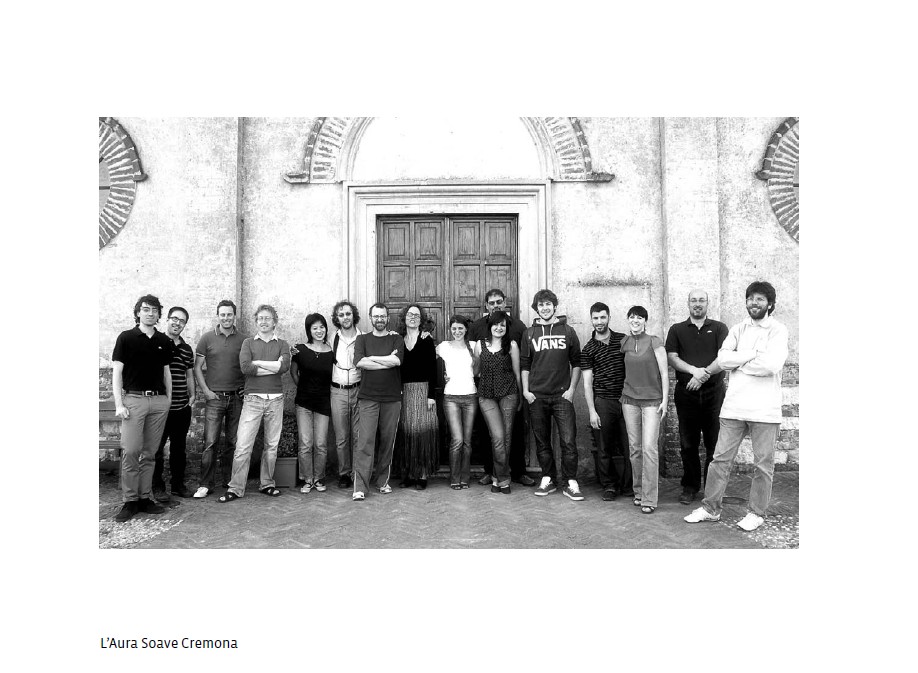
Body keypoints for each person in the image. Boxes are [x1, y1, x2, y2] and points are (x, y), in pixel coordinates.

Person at [684, 281, 788, 532]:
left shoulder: (777, 330)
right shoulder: (738, 329)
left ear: (770, 304)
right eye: (751, 298)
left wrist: (738, 361)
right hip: (734, 407)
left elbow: (771, 365)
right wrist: (752, 354)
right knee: (720, 460)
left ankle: (756, 513)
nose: (754, 303)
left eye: (760, 299)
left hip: (765, 410)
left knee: (763, 465)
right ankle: (711, 509)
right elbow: (722, 359)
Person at [219, 305, 291, 502]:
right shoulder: (248, 343)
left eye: (268, 318)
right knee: (243, 446)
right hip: (252, 400)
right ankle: (236, 488)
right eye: (260, 318)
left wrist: (258, 363)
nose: (264, 321)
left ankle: (267, 484)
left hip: (275, 400)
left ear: (275, 322)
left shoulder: (283, 344)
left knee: (271, 446)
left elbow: (284, 367)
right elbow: (245, 368)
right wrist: (273, 366)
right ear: (256, 321)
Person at [111, 294, 172, 522]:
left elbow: (166, 372)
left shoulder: (163, 340)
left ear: (158, 314)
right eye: (146, 309)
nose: (150, 313)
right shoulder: (126, 338)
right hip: (134, 400)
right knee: (131, 451)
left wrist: (168, 400)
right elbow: (117, 372)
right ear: (138, 312)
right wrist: (119, 403)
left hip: (158, 402)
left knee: (150, 453)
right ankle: (130, 501)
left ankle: (145, 498)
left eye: (154, 310)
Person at [665, 289, 728, 505]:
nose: (697, 304)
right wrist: (694, 371)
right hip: (686, 394)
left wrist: (703, 375)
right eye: (694, 300)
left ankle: (712, 489)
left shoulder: (719, 328)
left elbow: (724, 357)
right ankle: (690, 487)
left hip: (714, 394)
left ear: (708, 303)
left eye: (701, 300)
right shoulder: (677, 329)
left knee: (714, 443)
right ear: (688, 303)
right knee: (688, 443)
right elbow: (672, 357)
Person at [520, 289, 584, 501]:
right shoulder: (529, 333)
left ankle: (570, 482)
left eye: (548, 304)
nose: (545, 308)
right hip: (537, 397)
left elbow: (577, 363)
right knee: (542, 442)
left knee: (568, 441)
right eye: (541, 305)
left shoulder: (568, 331)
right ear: (536, 308)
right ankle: (548, 478)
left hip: (562, 396)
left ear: (555, 306)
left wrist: (572, 390)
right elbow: (525, 365)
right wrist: (526, 391)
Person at [468, 288, 535, 487]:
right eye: (492, 302)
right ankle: (491, 472)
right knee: (488, 433)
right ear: (486, 305)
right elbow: (472, 359)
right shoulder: (477, 327)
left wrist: (523, 391)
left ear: (505, 302)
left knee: (514, 433)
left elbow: (524, 359)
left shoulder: (518, 326)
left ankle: (518, 472)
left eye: (499, 301)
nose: (496, 305)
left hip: (509, 391)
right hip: (486, 391)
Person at [193, 300, 249, 498]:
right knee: (210, 442)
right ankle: (205, 484)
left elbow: (249, 366)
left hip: (236, 398)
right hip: (214, 397)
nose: (226, 318)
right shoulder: (207, 338)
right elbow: (197, 367)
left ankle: (229, 481)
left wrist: (246, 387)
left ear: (235, 316)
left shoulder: (244, 340)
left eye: (229, 314)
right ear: (218, 316)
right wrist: (206, 391)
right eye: (223, 314)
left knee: (233, 442)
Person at [352, 302, 405, 501]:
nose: (380, 319)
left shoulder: (396, 338)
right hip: (368, 397)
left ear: (387, 317)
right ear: (371, 318)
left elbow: (397, 361)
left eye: (383, 316)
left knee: (387, 442)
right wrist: (386, 360)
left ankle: (383, 481)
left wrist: (372, 359)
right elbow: (359, 362)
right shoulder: (362, 339)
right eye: (376, 316)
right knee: (365, 442)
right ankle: (360, 487)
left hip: (392, 398)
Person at [580, 301, 632, 502]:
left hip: (627, 400)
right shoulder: (588, 348)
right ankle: (609, 485)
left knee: (630, 446)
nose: (599, 321)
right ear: (591, 320)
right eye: (596, 318)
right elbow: (587, 383)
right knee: (604, 447)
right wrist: (592, 411)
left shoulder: (623, 340)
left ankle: (629, 486)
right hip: (603, 401)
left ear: (609, 317)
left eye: (603, 317)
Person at [620, 305, 669, 514]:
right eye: (632, 317)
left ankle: (649, 498)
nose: (635, 320)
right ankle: (639, 492)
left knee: (649, 448)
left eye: (640, 317)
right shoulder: (624, 342)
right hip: (629, 400)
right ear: (628, 320)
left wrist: (665, 400)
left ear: (645, 321)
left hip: (652, 401)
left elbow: (664, 373)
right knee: (635, 448)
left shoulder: (655, 341)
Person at [473, 310, 521, 494]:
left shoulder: (512, 345)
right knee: (498, 437)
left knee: (506, 438)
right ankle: (503, 478)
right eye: (496, 324)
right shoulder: (480, 345)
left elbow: (517, 373)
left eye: (503, 325)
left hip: (508, 394)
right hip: (486, 396)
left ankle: (498, 478)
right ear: (490, 326)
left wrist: (520, 398)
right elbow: (476, 371)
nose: (499, 328)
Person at [152, 306, 196, 500]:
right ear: (167, 320)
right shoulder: (157, 342)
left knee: (179, 449)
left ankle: (178, 485)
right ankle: (157, 486)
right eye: (174, 319)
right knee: (157, 449)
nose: (177, 323)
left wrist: (192, 395)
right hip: (160, 407)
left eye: (182, 321)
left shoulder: (186, 349)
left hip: (181, 407)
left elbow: (189, 374)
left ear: (185, 325)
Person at [396, 304, 439, 490]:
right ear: (404, 318)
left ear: (421, 320)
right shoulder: (398, 340)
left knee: (422, 434)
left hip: (423, 391)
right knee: (407, 433)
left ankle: (421, 475)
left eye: (416, 315)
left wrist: (431, 396)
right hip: (404, 392)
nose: (412, 317)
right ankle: (408, 474)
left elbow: (433, 369)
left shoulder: (426, 339)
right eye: (409, 314)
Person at [290, 313, 334, 494]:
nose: (319, 331)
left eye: (322, 327)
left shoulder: (331, 351)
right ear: (309, 330)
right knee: (306, 442)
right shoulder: (299, 350)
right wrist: (303, 388)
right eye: (314, 328)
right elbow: (293, 372)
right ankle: (307, 479)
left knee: (321, 443)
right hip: (304, 403)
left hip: (324, 402)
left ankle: (319, 477)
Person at [438, 315, 478, 489]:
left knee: (467, 442)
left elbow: (479, 369)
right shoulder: (444, 346)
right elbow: (425, 357)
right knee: (457, 440)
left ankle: (465, 478)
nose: (457, 331)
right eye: (454, 328)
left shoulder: (474, 346)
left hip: (470, 396)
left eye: (460, 328)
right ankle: (455, 478)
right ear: (450, 329)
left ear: (466, 329)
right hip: (451, 397)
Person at [329, 300, 363, 489]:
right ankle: (344, 473)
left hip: (359, 390)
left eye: (348, 314)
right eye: (341, 315)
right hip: (338, 391)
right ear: (337, 318)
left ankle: (357, 473)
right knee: (341, 437)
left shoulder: (363, 337)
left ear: (354, 315)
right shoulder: (331, 339)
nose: (345, 317)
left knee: (358, 436)